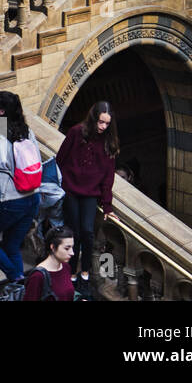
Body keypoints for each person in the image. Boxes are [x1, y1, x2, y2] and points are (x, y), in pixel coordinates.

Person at [56, 101, 120, 300]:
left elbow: (109, 176)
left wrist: (107, 205)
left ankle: (84, 273)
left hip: (91, 193)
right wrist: (63, 183)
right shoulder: (76, 132)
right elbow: (61, 158)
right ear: (94, 118)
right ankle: (72, 273)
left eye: (106, 124)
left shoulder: (109, 141)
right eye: (100, 122)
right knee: (73, 231)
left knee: (88, 232)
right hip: (71, 190)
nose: (102, 127)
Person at [0, 91, 41, 287]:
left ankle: (15, 276)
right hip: (33, 198)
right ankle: (21, 289)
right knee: (12, 244)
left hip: (9, 200)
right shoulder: (27, 132)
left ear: (2, 111)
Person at [25, 226, 77, 301]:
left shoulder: (66, 266)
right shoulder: (37, 276)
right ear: (52, 247)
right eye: (67, 248)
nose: (72, 253)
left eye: (72, 248)